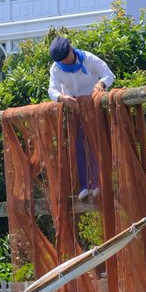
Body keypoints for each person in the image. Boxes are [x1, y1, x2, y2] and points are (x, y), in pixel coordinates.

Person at [47, 35, 114, 202]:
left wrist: (101, 85)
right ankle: (85, 185)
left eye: (67, 57)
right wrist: (62, 98)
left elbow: (108, 74)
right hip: (74, 113)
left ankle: (98, 182)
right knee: (78, 147)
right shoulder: (56, 69)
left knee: (94, 144)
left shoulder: (88, 59)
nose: (66, 62)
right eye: (62, 61)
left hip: (93, 110)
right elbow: (52, 90)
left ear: (71, 49)